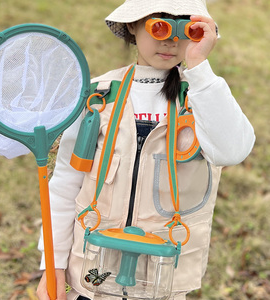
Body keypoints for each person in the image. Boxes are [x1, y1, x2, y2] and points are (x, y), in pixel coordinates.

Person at [37, 0, 255, 299]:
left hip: (161, 278)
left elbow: (232, 151)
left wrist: (199, 68)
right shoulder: (97, 96)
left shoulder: (203, 97)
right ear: (133, 25)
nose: (171, 41)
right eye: (159, 26)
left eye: (185, 29)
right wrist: (53, 265)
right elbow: (64, 185)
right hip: (95, 273)